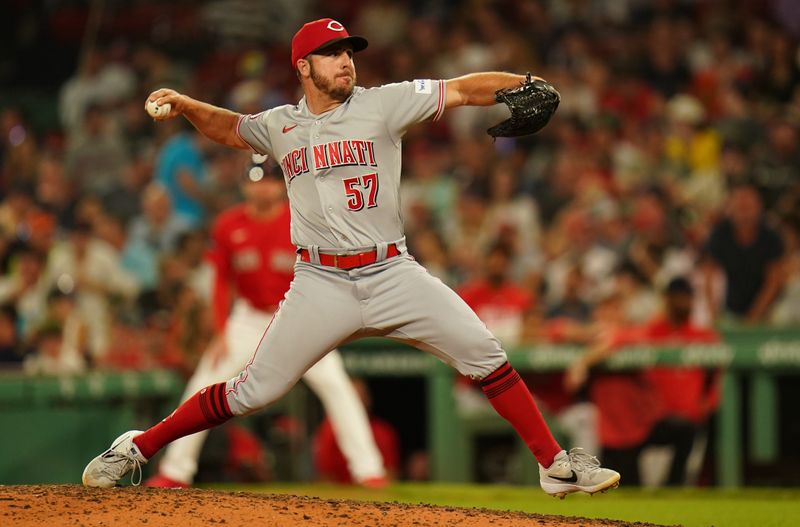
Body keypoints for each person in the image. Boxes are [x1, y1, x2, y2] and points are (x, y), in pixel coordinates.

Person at [83, 18, 619, 498]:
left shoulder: (383, 102)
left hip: (392, 271)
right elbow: (230, 128)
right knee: (253, 391)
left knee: (485, 352)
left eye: (349, 51)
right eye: (332, 52)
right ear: (303, 66)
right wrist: (186, 104)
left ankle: (555, 465)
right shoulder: (280, 125)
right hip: (320, 282)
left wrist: (517, 84)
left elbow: (460, 89)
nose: (346, 61)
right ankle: (137, 448)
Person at [144, 162, 387, 488]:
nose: (262, 188)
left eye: (269, 182)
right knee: (205, 381)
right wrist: (220, 332)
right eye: (255, 181)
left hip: (298, 316)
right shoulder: (228, 225)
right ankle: (176, 470)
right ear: (245, 186)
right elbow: (221, 281)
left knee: (336, 385)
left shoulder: (303, 218)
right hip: (248, 318)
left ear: (280, 185)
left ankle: (368, 470)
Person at [565, 277, 720, 486]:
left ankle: (673, 489)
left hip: (644, 424)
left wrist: (582, 362)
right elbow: (555, 330)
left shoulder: (636, 334)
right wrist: (585, 343)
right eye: (604, 310)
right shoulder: (587, 340)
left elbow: (623, 338)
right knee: (627, 492)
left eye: (614, 309)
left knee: (685, 430)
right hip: (613, 432)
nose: (608, 315)